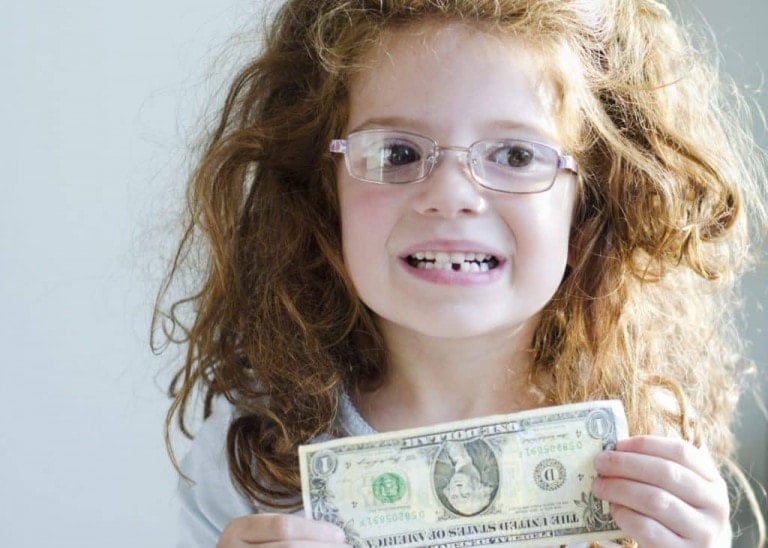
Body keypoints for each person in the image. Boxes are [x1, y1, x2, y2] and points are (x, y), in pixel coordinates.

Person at [154, 0, 767, 546]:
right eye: (397, 152)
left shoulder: (648, 444)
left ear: (593, 202)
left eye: (516, 155)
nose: (451, 196)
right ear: (323, 191)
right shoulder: (249, 459)